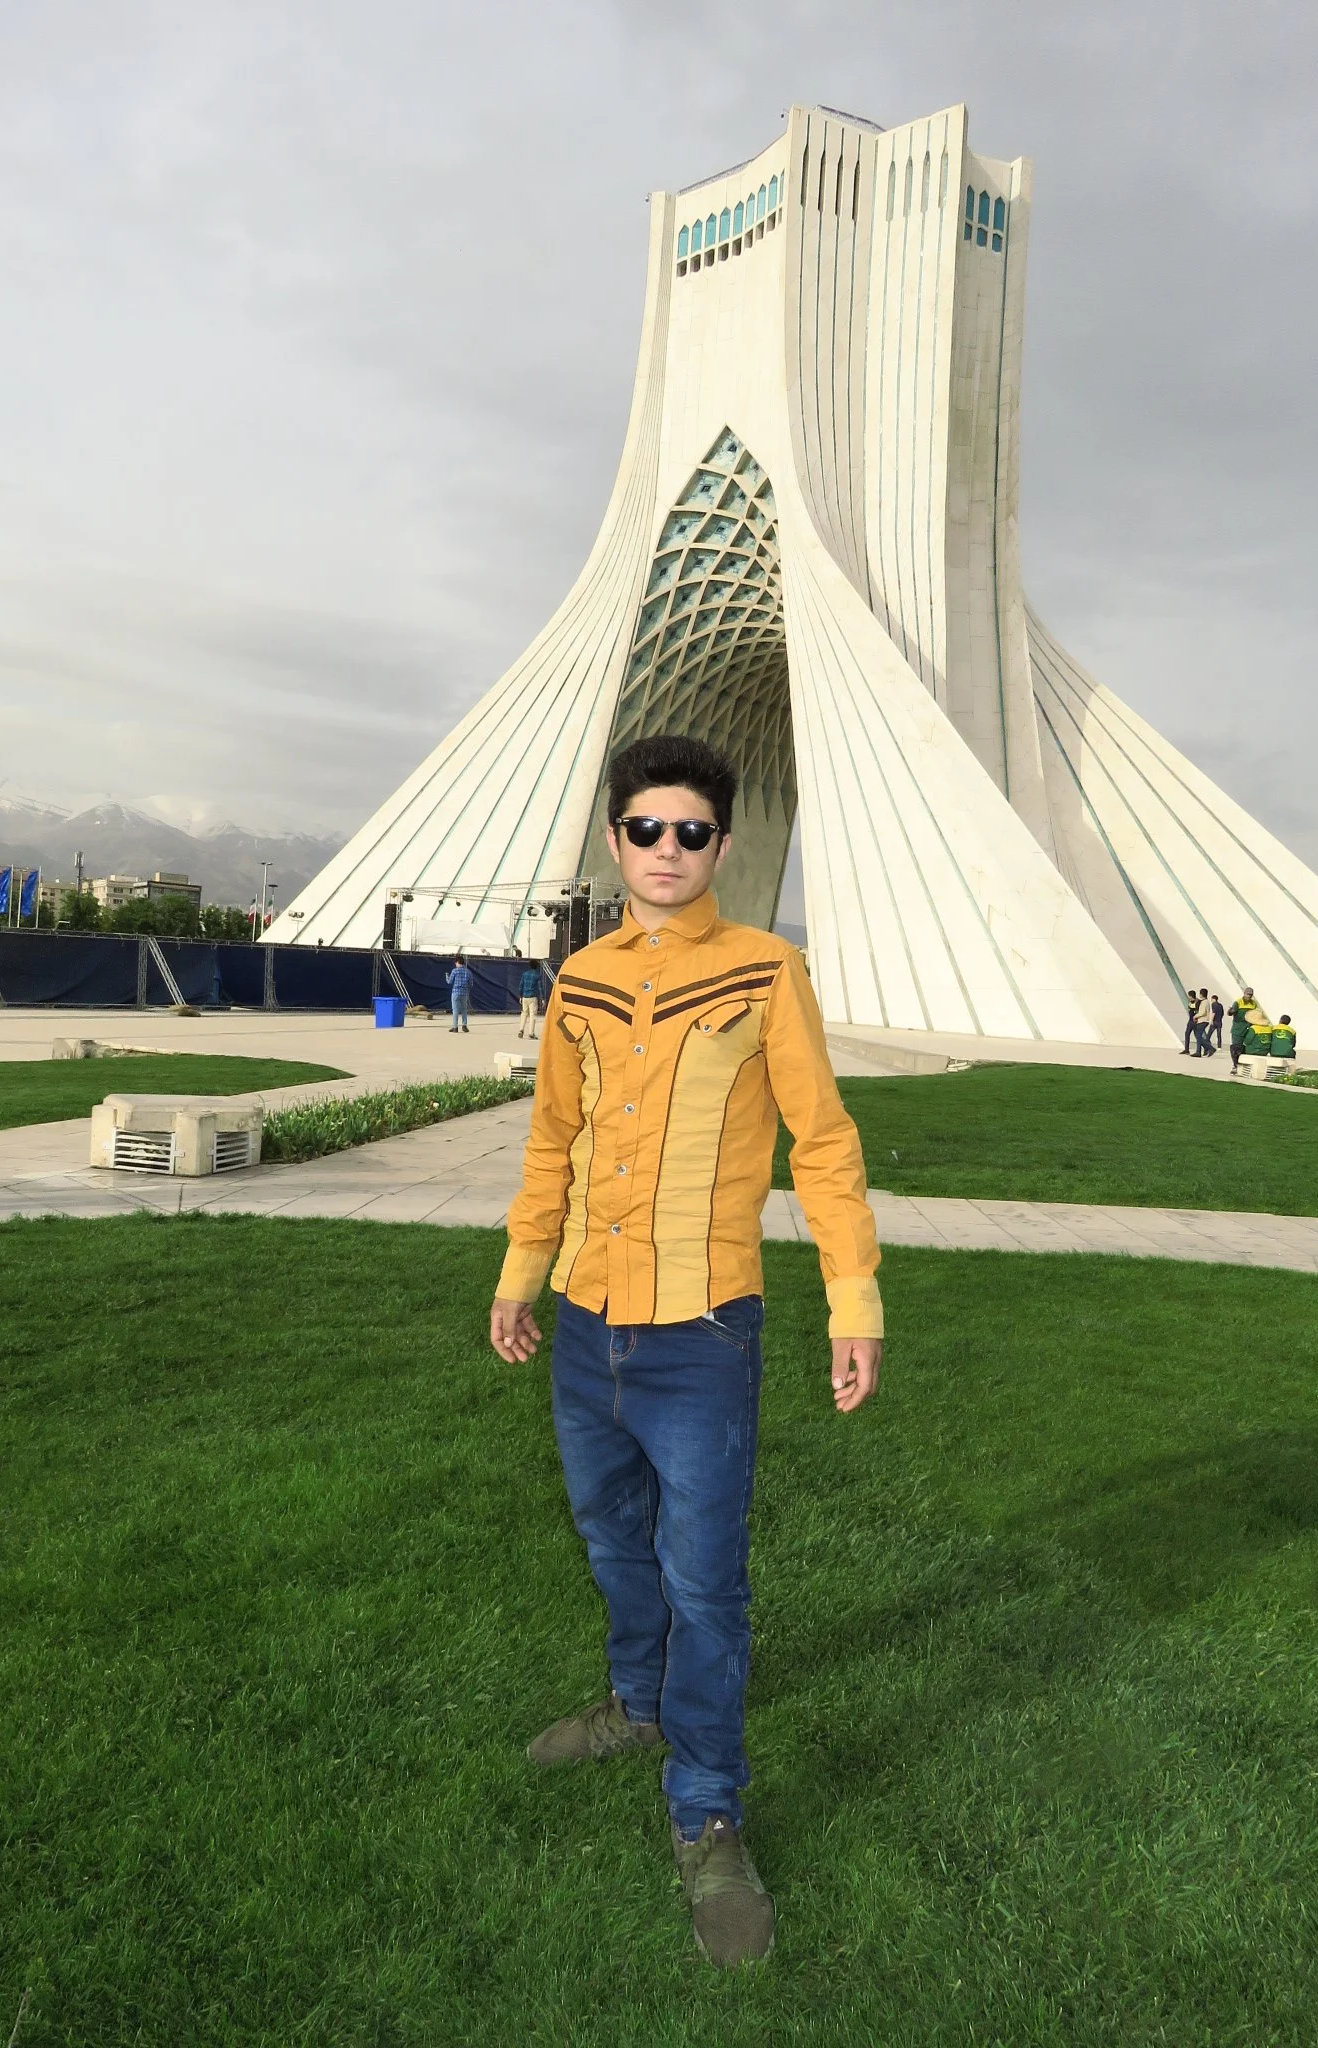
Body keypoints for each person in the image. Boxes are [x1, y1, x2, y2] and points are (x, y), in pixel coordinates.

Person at [488, 732, 882, 1969]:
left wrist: (854, 1299)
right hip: (586, 1319)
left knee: (705, 1579)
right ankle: (640, 1700)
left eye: (692, 831)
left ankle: (707, 1807)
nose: (668, 849)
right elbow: (552, 1138)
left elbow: (824, 1141)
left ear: (723, 843)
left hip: (706, 1330)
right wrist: (519, 1274)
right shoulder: (583, 979)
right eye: (647, 828)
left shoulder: (766, 971)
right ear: (616, 840)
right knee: (611, 1534)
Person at [1228, 986, 1258, 1073]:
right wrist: (1231, 1011)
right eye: (1247, 994)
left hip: (1248, 1029)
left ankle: (1244, 1068)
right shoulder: (1238, 1002)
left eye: (1250, 995)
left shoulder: (1253, 1004)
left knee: (1245, 1049)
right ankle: (1235, 1066)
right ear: (1244, 993)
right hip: (1238, 1029)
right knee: (1236, 1048)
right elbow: (1230, 1013)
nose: (1249, 996)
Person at [518, 960, 542, 1038]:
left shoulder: (525, 974)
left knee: (524, 1013)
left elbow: (521, 985)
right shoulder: (537, 975)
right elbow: (540, 988)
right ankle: (531, 1033)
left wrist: (520, 996)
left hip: (525, 997)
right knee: (532, 1015)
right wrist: (542, 998)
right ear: (537, 966)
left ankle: (521, 1030)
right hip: (533, 997)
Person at [448, 954, 472, 1032]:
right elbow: (471, 984)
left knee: (455, 1010)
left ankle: (455, 1027)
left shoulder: (454, 971)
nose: (455, 964)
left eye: (455, 963)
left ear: (457, 962)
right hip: (464, 993)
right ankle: (464, 1025)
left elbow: (449, 981)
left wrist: (447, 976)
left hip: (455, 992)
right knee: (464, 1010)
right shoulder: (468, 972)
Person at [1193, 988, 1212, 1057]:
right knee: (1199, 1036)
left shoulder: (1204, 1002)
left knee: (1198, 1036)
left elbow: (1203, 1012)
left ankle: (1209, 1048)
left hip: (1203, 1020)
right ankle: (1199, 1051)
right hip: (1203, 1020)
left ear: (1201, 994)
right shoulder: (1205, 1001)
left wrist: (1195, 1016)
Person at [1181, 989, 1199, 1055]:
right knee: (1187, 1034)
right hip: (1190, 1020)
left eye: (1189, 996)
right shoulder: (1190, 1002)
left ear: (1191, 996)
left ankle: (1204, 1049)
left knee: (1197, 1036)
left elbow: (1197, 1011)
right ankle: (1186, 1050)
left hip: (1195, 1021)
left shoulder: (1197, 1002)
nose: (1188, 997)